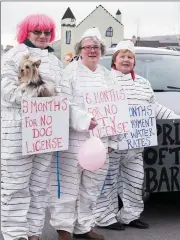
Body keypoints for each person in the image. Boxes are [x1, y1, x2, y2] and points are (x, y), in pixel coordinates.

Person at [94, 40, 176, 231]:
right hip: (112, 145)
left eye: (130, 57)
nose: (126, 60)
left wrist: (175, 120)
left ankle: (130, 215)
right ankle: (105, 217)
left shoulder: (143, 83)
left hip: (136, 146)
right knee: (109, 182)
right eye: (122, 56)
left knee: (135, 181)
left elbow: (152, 107)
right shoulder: (104, 80)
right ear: (115, 60)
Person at [48, 27, 116, 240]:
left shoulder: (108, 76)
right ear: (80, 50)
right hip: (74, 139)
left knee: (92, 186)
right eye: (88, 47)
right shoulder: (69, 73)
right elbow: (63, 105)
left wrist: (113, 138)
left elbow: (116, 108)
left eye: (96, 47)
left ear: (101, 50)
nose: (92, 50)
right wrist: (84, 120)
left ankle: (84, 226)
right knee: (67, 186)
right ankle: (64, 228)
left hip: (100, 141)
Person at [1, 14, 62, 240]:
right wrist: (38, 95)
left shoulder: (55, 61)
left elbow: (63, 95)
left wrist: (83, 118)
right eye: (37, 31)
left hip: (46, 132)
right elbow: (7, 91)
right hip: (16, 131)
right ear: (26, 32)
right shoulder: (13, 55)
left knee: (39, 187)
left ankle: (33, 233)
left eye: (47, 32)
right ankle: (15, 235)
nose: (43, 36)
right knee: (16, 186)